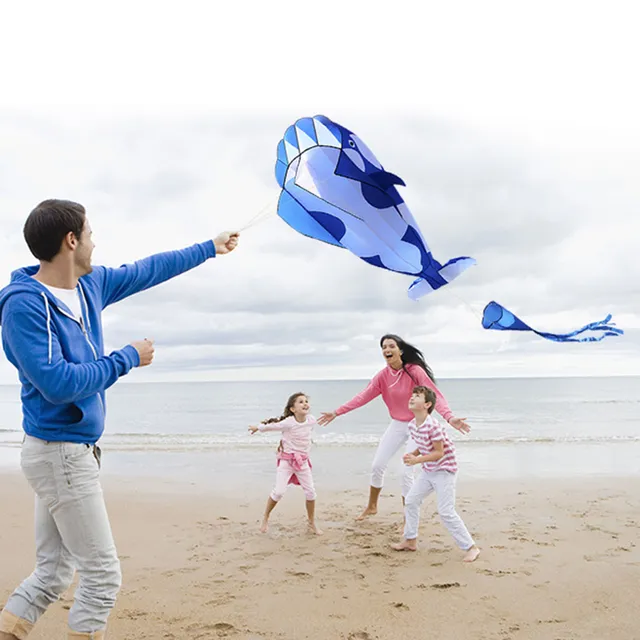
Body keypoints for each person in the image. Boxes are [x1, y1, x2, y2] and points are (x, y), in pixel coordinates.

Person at [0, 199, 239, 640]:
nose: (95, 241)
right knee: (102, 576)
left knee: (53, 573)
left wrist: (210, 246)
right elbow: (57, 383)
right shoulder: (23, 306)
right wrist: (126, 358)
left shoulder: (91, 285)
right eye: (90, 234)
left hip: (72, 453)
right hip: (59, 453)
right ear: (71, 241)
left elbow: (148, 269)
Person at [318, 334, 470, 521]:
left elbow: (434, 394)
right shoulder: (382, 377)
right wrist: (337, 412)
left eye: (391, 346)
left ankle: (408, 516)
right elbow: (362, 397)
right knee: (377, 465)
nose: (387, 350)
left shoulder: (414, 371)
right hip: (397, 424)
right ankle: (372, 506)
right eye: (383, 347)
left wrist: (449, 417)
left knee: (405, 471)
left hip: (418, 425)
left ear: (400, 350)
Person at [391, 386, 480, 562]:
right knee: (411, 500)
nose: (412, 398)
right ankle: (410, 540)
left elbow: (439, 452)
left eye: (417, 396)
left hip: (444, 471)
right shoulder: (413, 425)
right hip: (429, 470)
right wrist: (414, 454)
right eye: (412, 395)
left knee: (446, 511)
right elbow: (424, 445)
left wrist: (417, 460)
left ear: (427, 404)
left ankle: (471, 547)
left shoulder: (434, 426)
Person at [249, 392, 322, 535]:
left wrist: (333, 414)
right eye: (300, 402)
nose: (305, 404)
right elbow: (272, 426)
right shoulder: (288, 422)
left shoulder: (311, 420)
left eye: (306, 401)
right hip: (286, 462)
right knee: (279, 492)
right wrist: (258, 427)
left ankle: (311, 522)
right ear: (292, 409)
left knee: (311, 493)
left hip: (302, 462)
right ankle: (266, 517)